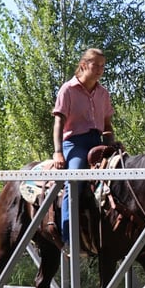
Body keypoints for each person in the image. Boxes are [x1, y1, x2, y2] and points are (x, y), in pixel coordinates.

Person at [52, 48, 115, 252]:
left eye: (102, 66)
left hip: (97, 141)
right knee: (75, 180)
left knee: (121, 174)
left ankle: (114, 234)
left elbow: (107, 124)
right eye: (95, 65)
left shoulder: (103, 93)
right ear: (83, 65)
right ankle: (70, 239)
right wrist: (58, 152)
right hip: (75, 143)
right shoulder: (68, 89)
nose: (99, 70)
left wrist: (112, 146)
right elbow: (59, 123)